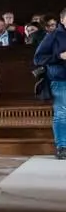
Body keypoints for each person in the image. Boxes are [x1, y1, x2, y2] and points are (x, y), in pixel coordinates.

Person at [33, 10, 66, 159]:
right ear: (62, 20)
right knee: (62, 113)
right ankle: (62, 147)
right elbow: (38, 58)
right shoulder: (54, 36)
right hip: (60, 79)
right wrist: (59, 56)